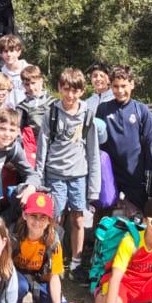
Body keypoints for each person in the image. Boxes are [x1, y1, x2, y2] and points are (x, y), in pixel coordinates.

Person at [40, 68, 101, 274]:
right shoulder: (51, 114)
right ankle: (53, 260)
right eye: (66, 89)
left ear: (82, 91)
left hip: (78, 176)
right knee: (55, 219)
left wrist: (94, 187)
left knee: (78, 218)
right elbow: (42, 149)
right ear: (59, 88)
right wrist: (39, 180)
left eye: (75, 91)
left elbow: (93, 153)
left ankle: (76, 262)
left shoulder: (88, 116)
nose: (70, 95)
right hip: (54, 174)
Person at [96, 65, 152, 209]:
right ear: (111, 86)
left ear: (132, 84)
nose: (120, 90)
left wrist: (150, 175)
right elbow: (97, 143)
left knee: (136, 216)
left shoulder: (141, 110)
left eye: (124, 86)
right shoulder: (103, 109)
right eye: (116, 86)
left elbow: (149, 144)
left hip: (135, 175)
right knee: (106, 216)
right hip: (110, 175)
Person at [11, 190, 68, 303]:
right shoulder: (13, 235)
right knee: (20, 286)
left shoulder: (54, 241)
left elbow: (54, 276)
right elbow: (3, 268)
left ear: (49, 220)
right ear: (25, 215)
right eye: (33, 216)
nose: (37, 221)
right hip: (17, 273)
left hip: (41, 277)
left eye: (43, 217)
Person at [16, 64, 49, 152]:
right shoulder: (21, 107)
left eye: (33, 83)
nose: (31, 87)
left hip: (53, 148)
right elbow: (18, 132)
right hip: (33, 149)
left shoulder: (53, 102)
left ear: (41, 81)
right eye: (27, 84)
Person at [0, 35, 27, 102]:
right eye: (5, 51)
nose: (9, 54)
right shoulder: (0, 74)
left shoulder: (28, 70)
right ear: (1, 54)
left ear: (19, 52)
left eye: (12, 51)